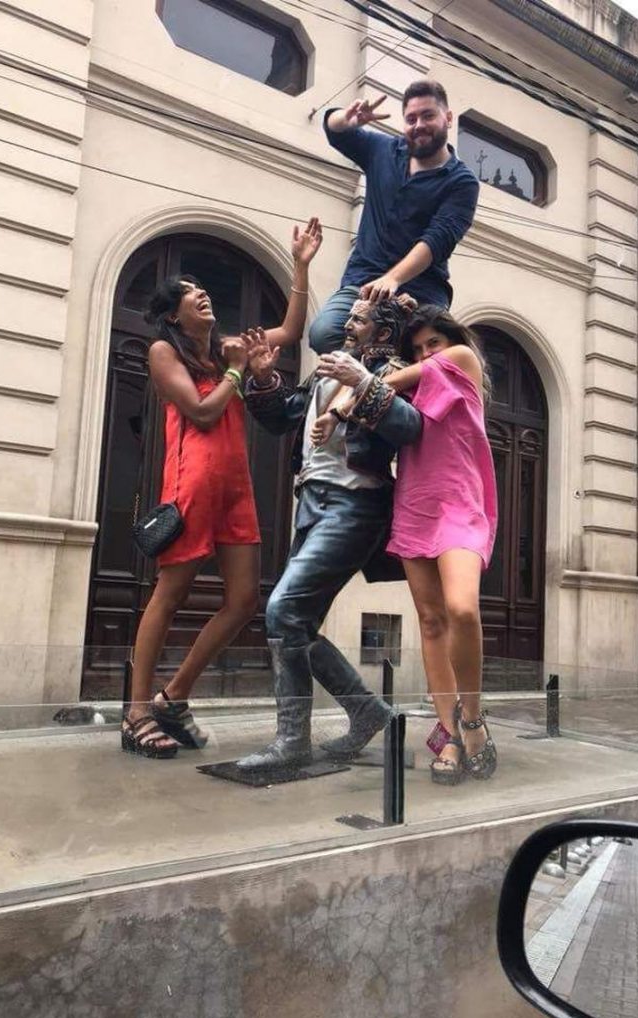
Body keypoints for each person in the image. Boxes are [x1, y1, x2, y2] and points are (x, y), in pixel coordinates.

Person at [122, 218, 322, 758]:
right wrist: (236, 372)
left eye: (202, 288)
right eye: (189, 292)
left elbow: (290, 331)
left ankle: (173, 696)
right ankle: (137, 712)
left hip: (236, 486)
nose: (200, 293)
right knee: (170, 595)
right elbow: (202, 412)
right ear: (173, 314)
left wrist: (300, 265)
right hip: (192, 484)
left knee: (243, 600)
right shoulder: (165, 353)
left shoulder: (227, 348)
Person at [234, 297, 422, 772]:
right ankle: (366, 712)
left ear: (382, 334)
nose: (347, 323)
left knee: (283, 611)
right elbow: (283, 418)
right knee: (294, 623)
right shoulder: (327, 369)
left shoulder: (394, 370)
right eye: (349, 315)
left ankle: (292, 741)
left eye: (358, 318)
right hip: (311, 503)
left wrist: (362, 381)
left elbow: (409, 428)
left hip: (355, 505)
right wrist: (262, 379)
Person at [318, 306, 498, 785]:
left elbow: (387, 382)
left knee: (462, 609)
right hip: (416, 502)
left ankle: (472, 719)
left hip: (461, 502)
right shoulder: (409, 387)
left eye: (432, 343)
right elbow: (380, 397)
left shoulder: (461, 359)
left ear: (450, 341)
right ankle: (448, 733)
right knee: (431, 621)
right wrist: (338, 411)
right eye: (416, 349)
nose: (425, 354)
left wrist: (353, 392)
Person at [308, 79, 479, 356]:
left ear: (448, 118)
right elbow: (333, 129)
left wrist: (393, 279)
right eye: (411, 119)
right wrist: (346, 120)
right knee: (323, 334)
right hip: (363, 282)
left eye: (428, 116)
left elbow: (437, 239)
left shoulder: (462, 182)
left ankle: (385, 374)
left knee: (425, 355)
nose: (419, 125)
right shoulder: (383, 150)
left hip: (422, 291)